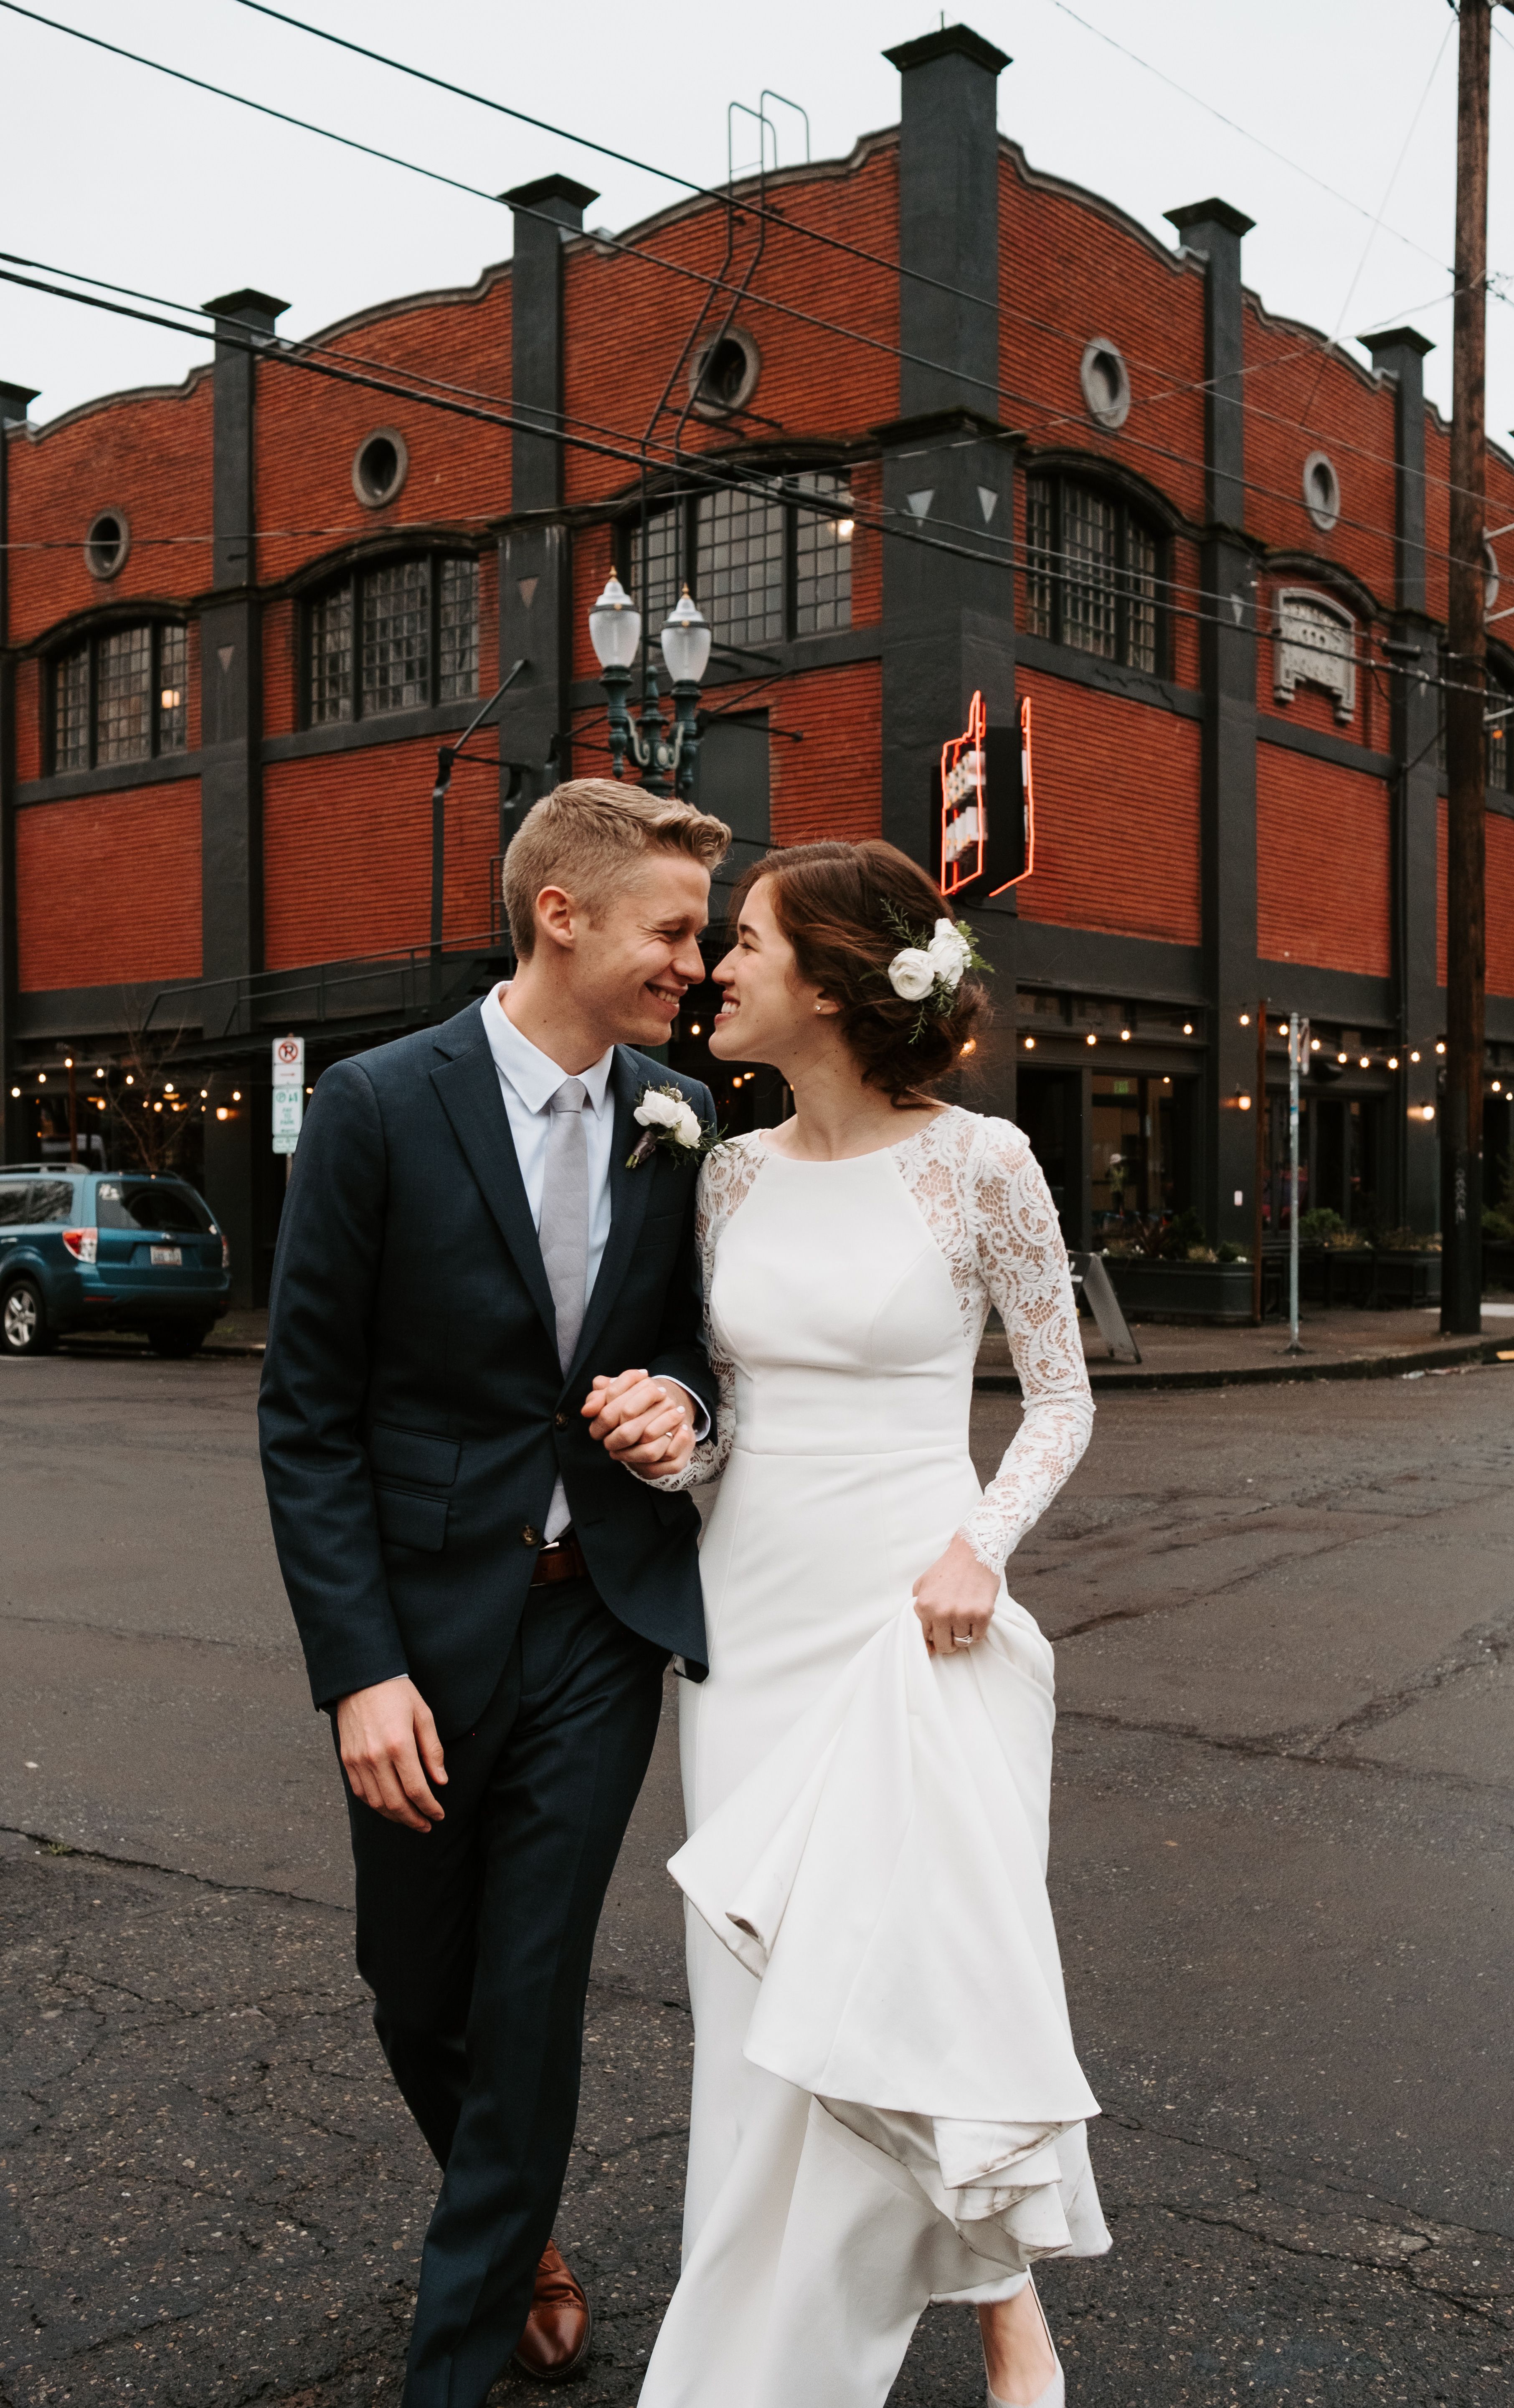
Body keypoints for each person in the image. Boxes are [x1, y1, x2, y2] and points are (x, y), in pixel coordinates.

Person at [258, 778, 730, 2406]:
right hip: (421, 1635)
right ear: (562, 916)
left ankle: (451, 2358)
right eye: (672, 929)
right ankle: (513, 2212)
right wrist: (357, 1670)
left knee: (529, 1990)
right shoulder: (381, 1104)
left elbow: (690, 1338)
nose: (697, 957)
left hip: (600, 1616)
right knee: (416, 1987)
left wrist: (680, 1405)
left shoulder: (684, 1113)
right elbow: (305, 1412)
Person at [639, 839, 1111, 2408]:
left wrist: (980, 1544)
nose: (716, 965)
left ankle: (992, 2300)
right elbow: (731, 1413)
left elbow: (1059, 1397)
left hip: (914, 1617)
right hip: (749, 1617)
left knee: (914, 1972)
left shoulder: (982, 1164)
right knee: (759, 2002)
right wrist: (670, 1433)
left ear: (837, 979)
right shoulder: (721, 1170)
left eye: (748, 939)